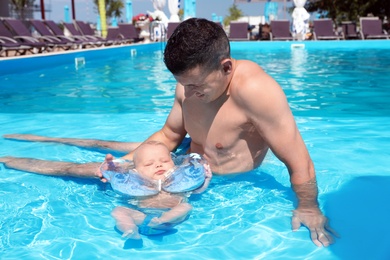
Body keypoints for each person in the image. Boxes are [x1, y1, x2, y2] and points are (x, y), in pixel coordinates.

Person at [0, 18, 335, 246]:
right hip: (181, 163)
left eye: (196, 85)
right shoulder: (189, 87)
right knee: (102, 158)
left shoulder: (258, 93)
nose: (188, 94)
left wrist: (308, 205)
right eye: (182, 84)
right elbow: (168, 136)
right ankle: (35, 141)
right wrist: (122, 164)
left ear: (226, 68)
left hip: (217, 179)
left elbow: (299, 162)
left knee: (86, 171)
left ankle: (7, 157)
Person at [107, 140, 211, 239]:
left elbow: (196, 191)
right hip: (143, 216)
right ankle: (130, 229)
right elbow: (122, 186)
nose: (158, 165)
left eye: (165, 161)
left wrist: (206, 179)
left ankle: (161, 220)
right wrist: (114, 171)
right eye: (149, 164)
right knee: (119, 211)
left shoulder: (178, 182)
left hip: (170, 219)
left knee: (186, 206)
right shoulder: (138, 184)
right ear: (136, 171)